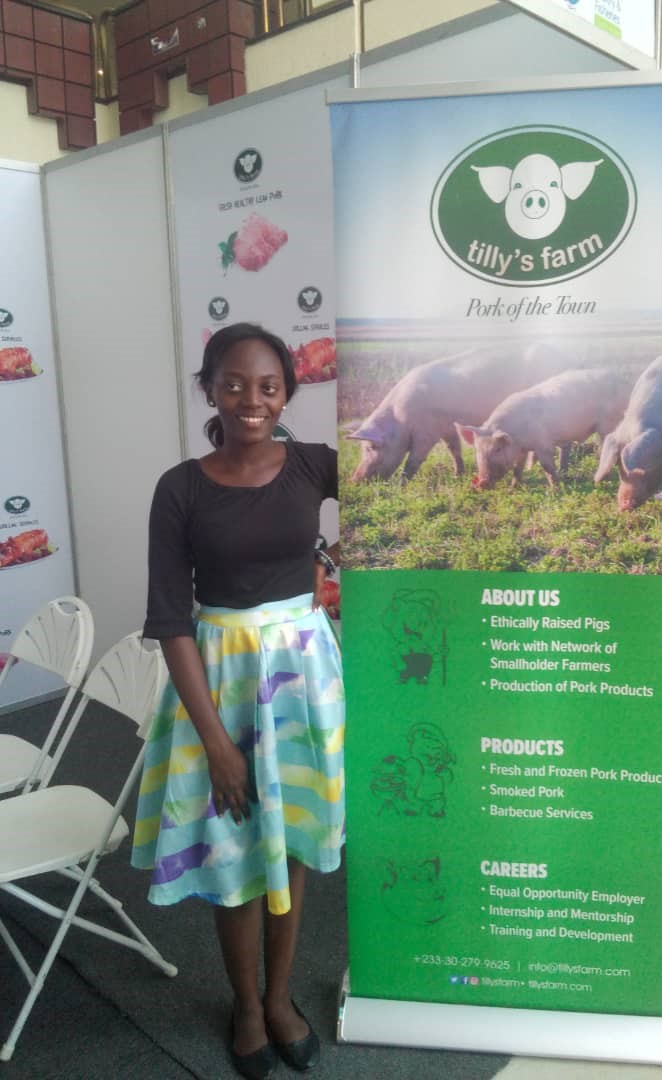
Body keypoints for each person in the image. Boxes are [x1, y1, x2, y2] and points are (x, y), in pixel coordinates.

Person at [131, 323, 343, 1079]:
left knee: (290, 846)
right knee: (233, 853)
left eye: (268, 386)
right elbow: (168, 618)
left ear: (287, 391)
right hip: (215, 682)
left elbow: (401, 507)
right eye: (233, 385)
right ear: (209, 389)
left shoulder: (317, 466)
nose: (252, 401)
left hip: (301, 681)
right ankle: (247, 1005)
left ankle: (283, 997)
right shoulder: (180, 487)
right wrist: (217, 743)